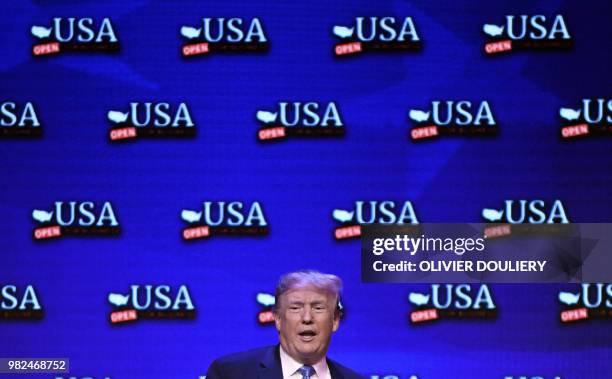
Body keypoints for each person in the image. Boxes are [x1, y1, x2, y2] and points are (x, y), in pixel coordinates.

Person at [206, 270, 364, 379]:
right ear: (278, 319)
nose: (307, 317)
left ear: (335, 320)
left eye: (318, 308)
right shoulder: (230, 373)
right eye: (295, 308)